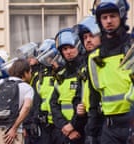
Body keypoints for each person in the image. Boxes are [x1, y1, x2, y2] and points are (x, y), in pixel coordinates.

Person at [86, 0, 134, 143]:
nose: (109, 21)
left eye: (113, 16)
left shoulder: (132, 49)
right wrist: (92, 133)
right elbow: (94, 99)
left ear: (121, 16)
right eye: (104, 17)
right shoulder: (94, 58)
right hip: (109, 128)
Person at [0, 58, 34, 144]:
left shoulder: (0, 83)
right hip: (10, 133)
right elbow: (26, 107)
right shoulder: (27, 88)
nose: (30, 74)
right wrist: (14, 128)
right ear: (25, 73)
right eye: (30, 72)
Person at [50, 28, 87, 144]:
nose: (68, 52)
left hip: (82, 130)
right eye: (65, 49)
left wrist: (73, 126)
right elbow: (54, 104)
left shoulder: (85, 69)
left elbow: (84, 102)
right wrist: (65, 126)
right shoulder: (60, 74)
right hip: (64, 131)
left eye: (71, 47)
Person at [73, 15, 103, 144]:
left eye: (91, 36)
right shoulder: (85, 64)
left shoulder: (106, 59)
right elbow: (79, 93)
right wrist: (78, 106)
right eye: (84, 38)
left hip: (106, 119)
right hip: (89, 120)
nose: (88, 40)